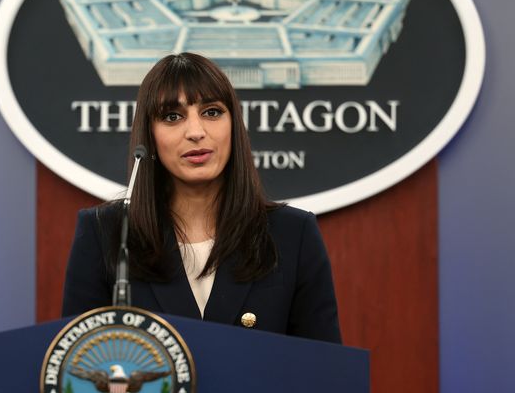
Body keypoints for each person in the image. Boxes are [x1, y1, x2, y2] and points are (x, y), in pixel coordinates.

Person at [61, 53, 341, 343]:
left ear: (234, 126)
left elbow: (325, 365)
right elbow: (76, 360)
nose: (196, 132)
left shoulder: (293, 234)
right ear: (150, 136)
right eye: (172, 117)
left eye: (212, 112)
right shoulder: (106, 233)